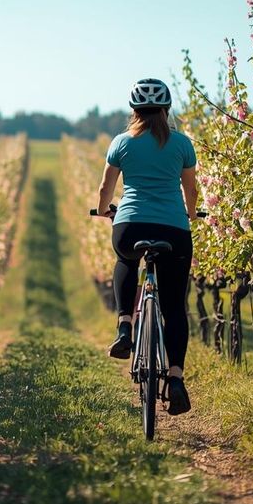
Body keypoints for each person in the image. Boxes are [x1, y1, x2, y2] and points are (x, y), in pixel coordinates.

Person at [94, 77, 199, 415]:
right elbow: (191, 191)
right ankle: (176, 379)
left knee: (126, 259)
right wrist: (192, 215)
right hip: (173, 229)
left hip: (129, 225)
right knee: (174, 307)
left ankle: (125, 324)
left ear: (134, 110)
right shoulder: (182, 144)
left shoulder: (121, 143)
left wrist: (102, 211)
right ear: (166, 110)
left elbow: (104, 190)